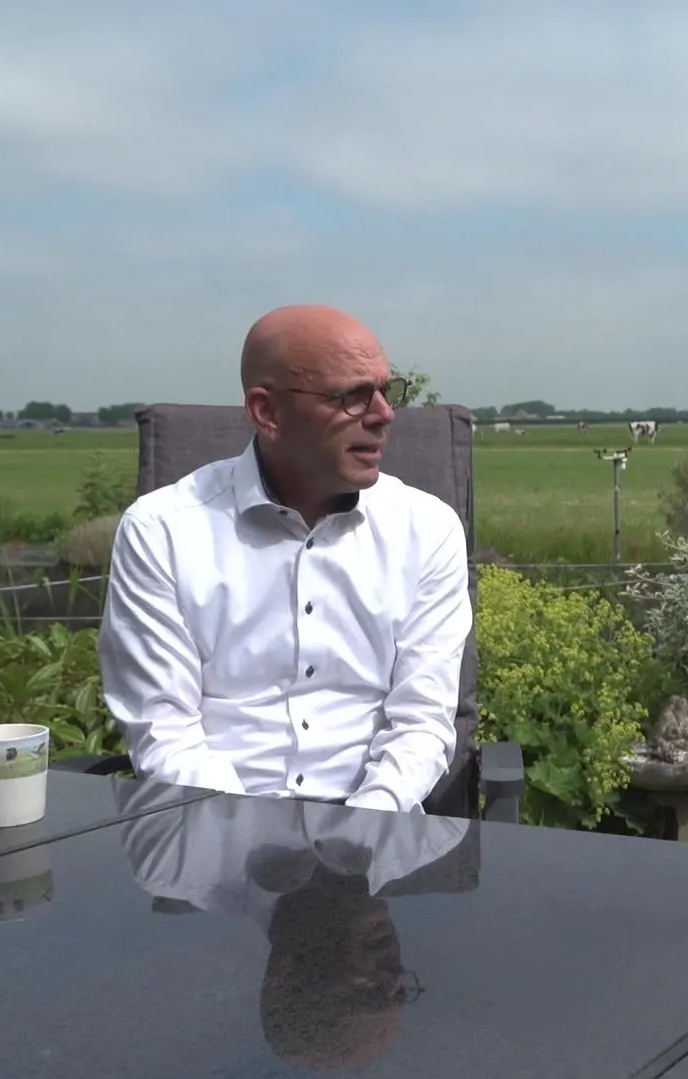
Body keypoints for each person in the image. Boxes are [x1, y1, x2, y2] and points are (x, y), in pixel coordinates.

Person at [97, 304, 472, 813]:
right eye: (352, 396)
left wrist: (361, 831)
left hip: (377, 828)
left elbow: (422, 723)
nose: (384, 414)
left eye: (388, 390)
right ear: (267, 412)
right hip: (211, 824)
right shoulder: (160, 531)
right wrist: (250, 837)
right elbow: (164, 730)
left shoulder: (427, 530)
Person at [119, 789, 473, 1070]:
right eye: (399, 993)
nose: (394, 974)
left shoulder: (169, 860)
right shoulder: (435, 836)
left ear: (287, 971)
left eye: (371, 994)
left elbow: (159, 740)